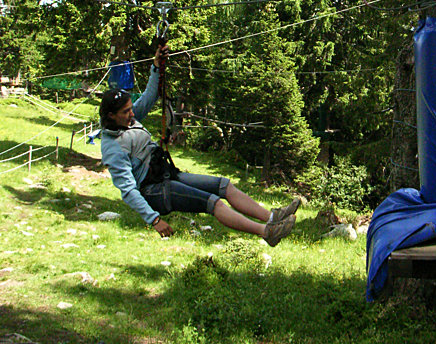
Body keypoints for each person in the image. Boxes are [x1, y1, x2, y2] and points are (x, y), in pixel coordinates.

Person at [99, 44, 298, 246]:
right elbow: (128, 191)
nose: (132, 114)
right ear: (111, 116)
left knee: (223, 185)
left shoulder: (129, 120)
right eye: (126, 112)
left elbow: (149, 97)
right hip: (154, 190)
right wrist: (154, 219)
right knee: (213, 202)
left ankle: (272, 218)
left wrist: (156, 67)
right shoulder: (113, 147)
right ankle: (267, 232)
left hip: (166, 174)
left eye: (131, 109)